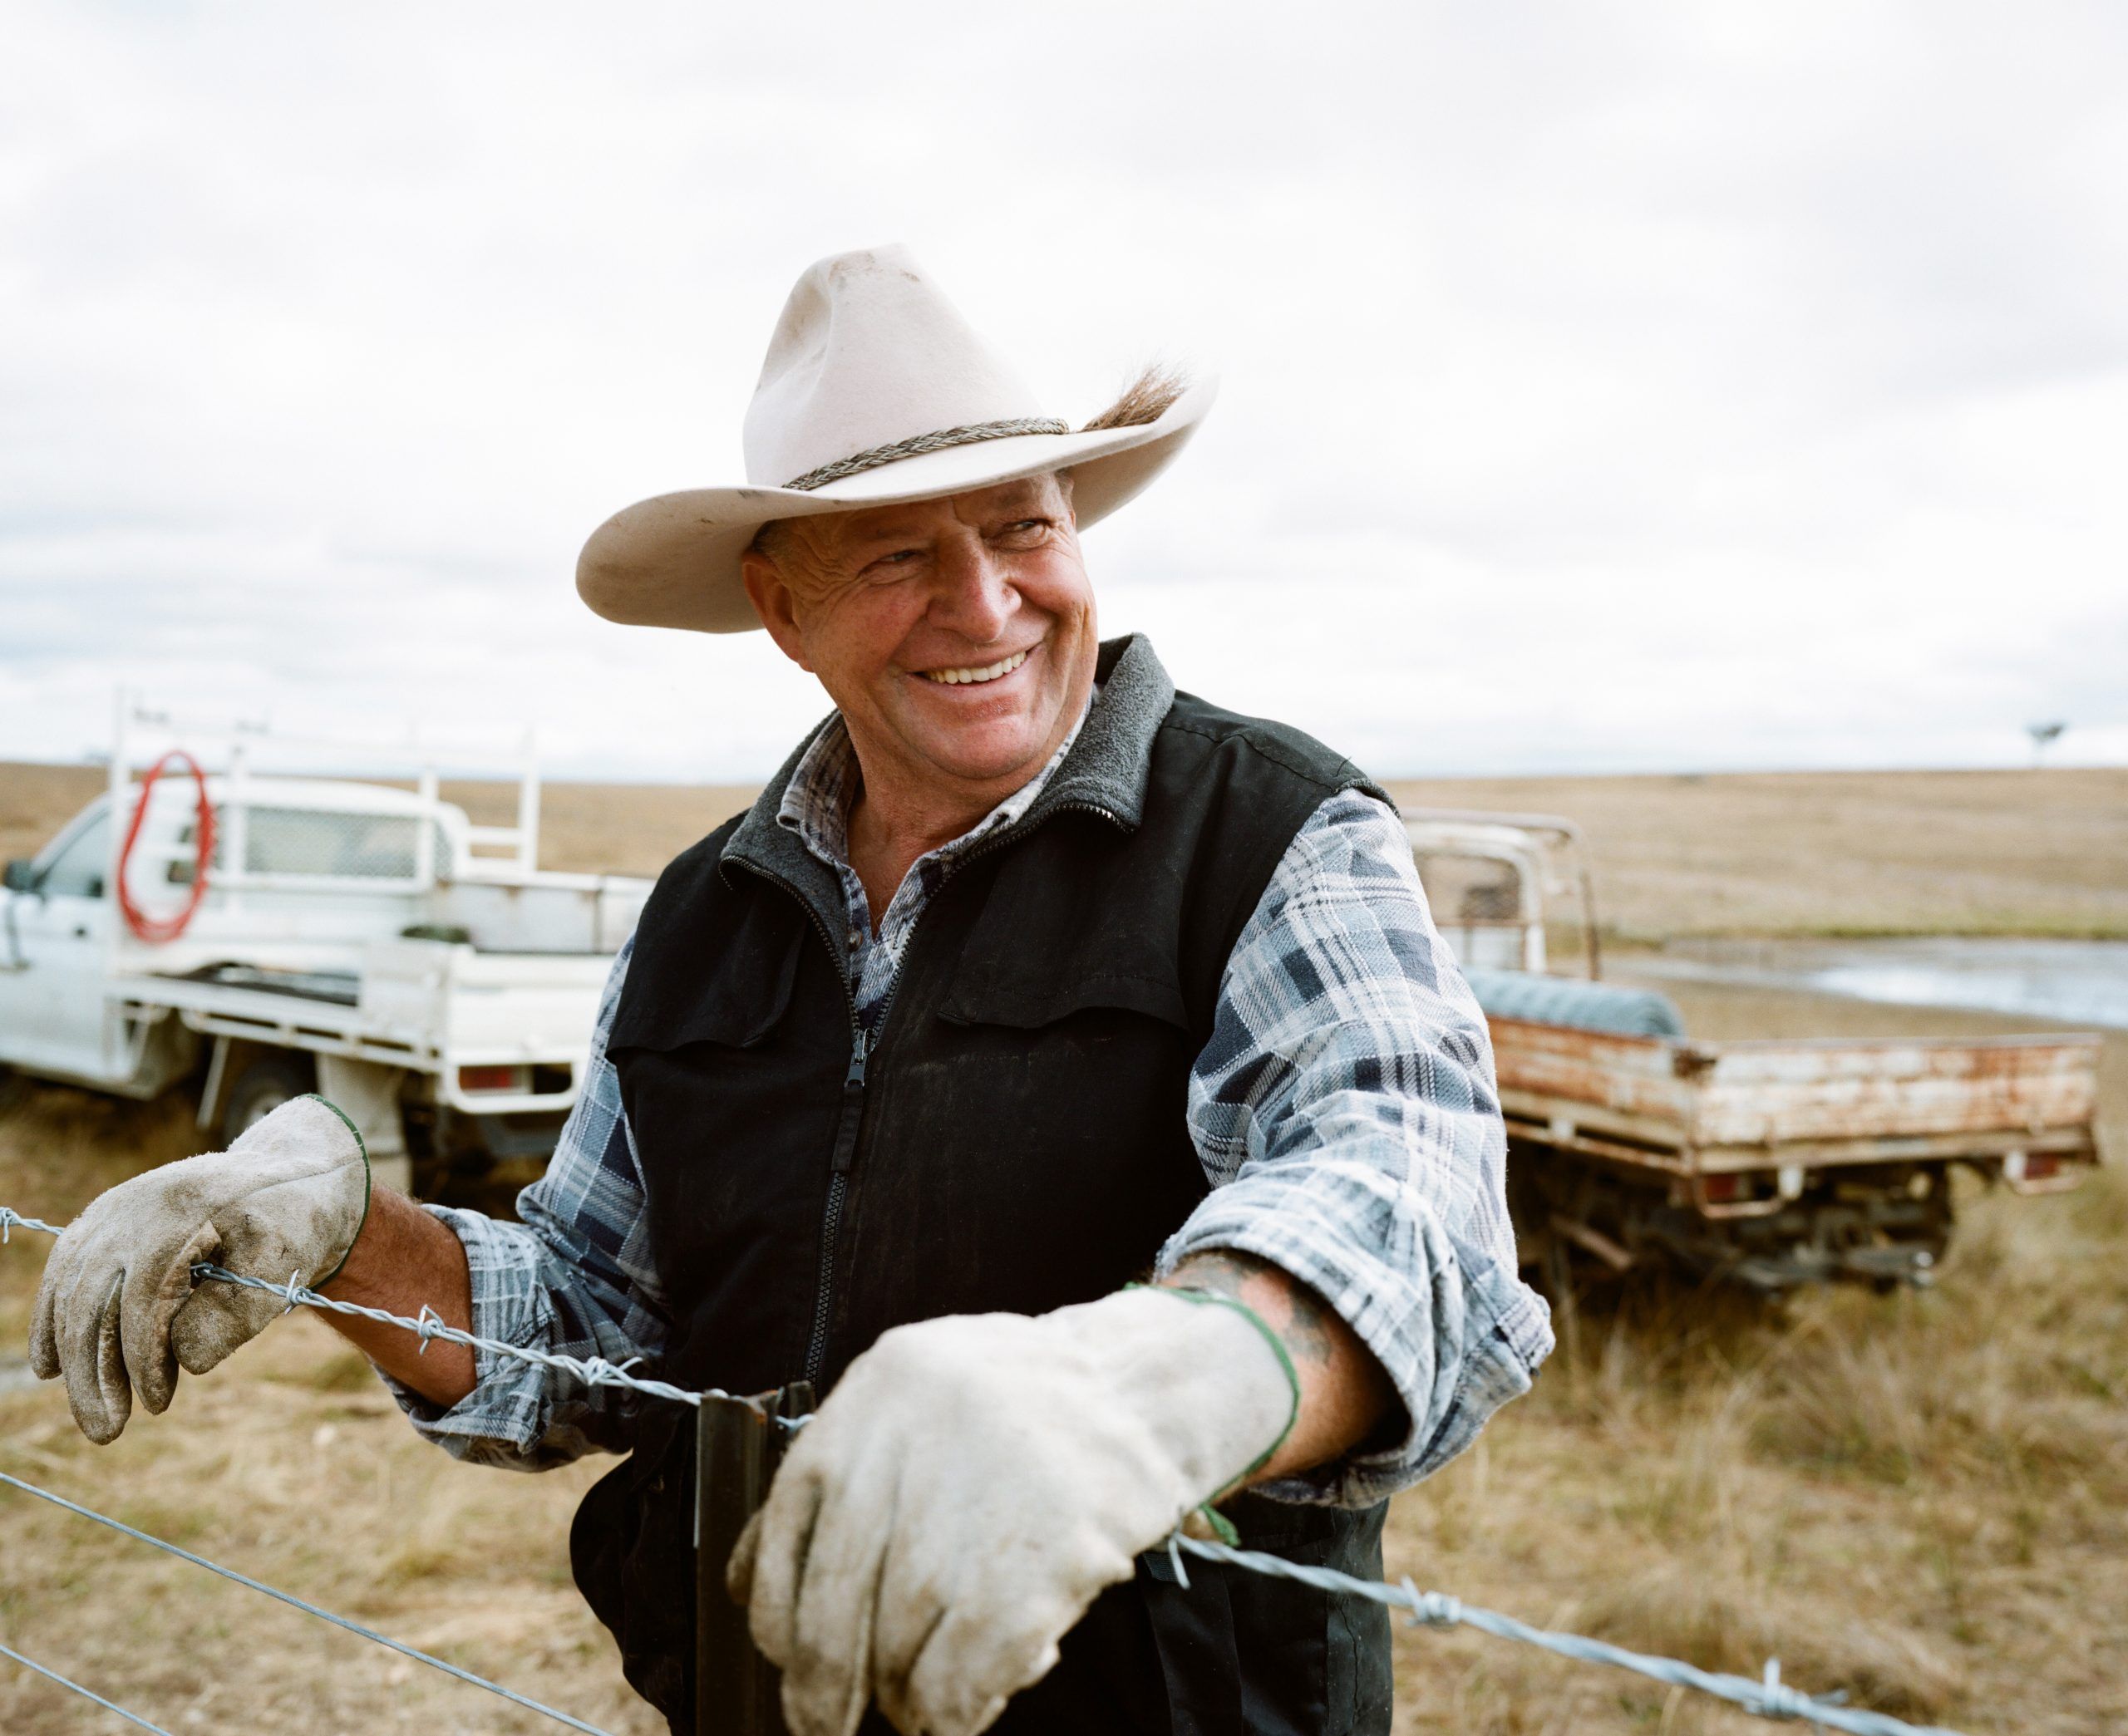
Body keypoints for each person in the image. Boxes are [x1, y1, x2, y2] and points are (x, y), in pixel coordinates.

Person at [31, 246, 1554, 1736]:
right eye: (898, 552)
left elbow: (1406, 1184)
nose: (985, 604)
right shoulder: (704, 913)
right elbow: (593, 1323)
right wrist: (349, 1235)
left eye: (1022, 526)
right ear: (784, 609)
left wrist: (1155, 1381)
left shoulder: (1274, 833)